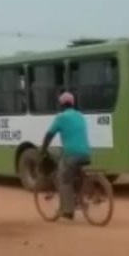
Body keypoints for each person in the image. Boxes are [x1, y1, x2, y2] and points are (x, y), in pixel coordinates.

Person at [40, 92, 90, 220]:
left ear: (61, 105)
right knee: (73, 174)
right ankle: (78, 198)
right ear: (73, 103)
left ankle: (68, 211)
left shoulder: (61, 117)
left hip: (71, 154)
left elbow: (49, 134)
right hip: (86, 153)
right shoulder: (80, 116)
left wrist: (43, 149)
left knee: (63, 179)